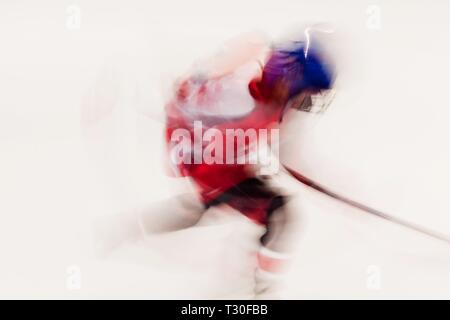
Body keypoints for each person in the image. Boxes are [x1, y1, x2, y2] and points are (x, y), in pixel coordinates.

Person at [97, 29, 336, 298]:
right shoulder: (241, 99)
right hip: (203, 152)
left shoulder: (265, 94)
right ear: (289, 81)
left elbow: (281, 150)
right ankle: (259, 292)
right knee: (274, 211)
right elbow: (188, 108)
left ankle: (129, 229)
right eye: (307, 92)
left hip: (212, 148)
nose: (309, 101)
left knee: (211, 206)